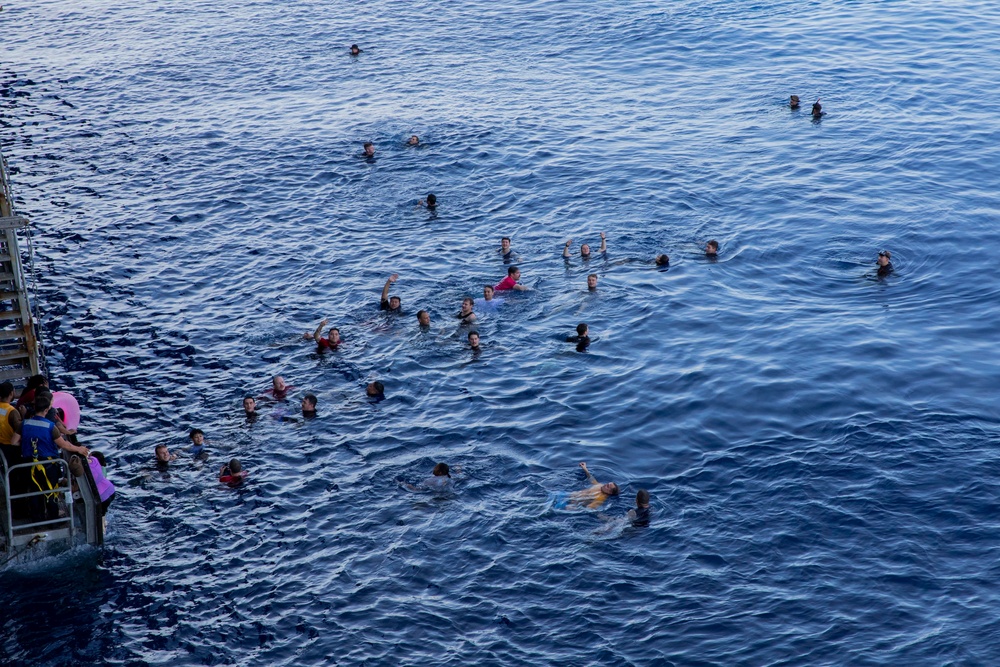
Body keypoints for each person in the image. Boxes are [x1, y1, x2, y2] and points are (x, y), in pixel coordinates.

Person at [20, 392, 89, 520]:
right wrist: (79, 449)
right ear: (47, 410)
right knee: (51, 491)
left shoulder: (24, 424)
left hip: (29, 465)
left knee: (35, 492)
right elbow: (65, 445)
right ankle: (53, 518)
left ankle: (37, 519)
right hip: (48, 466)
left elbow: (14, 441)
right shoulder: (50, 427)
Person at [552, 462, 619, 510]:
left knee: (550, 508)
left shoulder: (601, 497)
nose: (606, 485)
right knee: (550, 496)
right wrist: (585, 468)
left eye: (608, 486)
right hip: (567, 495)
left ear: (610, 492)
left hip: (569, 503)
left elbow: (590, 507)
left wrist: (575, 508)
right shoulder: (600, 485)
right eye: (607, 484)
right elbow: (591, 479)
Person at [0, 381, 21, 467]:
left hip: (1, 446)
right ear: (11, 393)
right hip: (11, 447)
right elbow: (19, 429)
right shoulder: (12, 411)